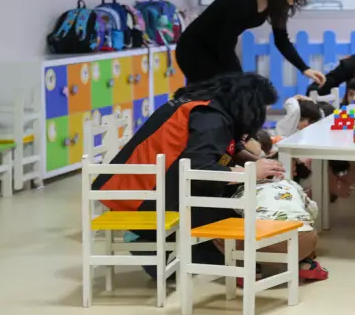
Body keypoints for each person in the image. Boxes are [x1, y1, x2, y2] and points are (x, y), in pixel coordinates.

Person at [92, 73, 284, 275]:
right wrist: (250, 173)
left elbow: (225, 148)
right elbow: (200, 172)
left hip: (145, 187)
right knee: (239, 207)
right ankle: (154, 243)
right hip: (145, 199)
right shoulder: (210, 119)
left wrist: (256, 164)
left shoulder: (207, 105)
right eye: (263, 109)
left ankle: (169, 249)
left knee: (236, 195)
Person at [175, 0, 327, 87]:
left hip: (217, 47)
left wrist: (305, 68)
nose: (295, 1)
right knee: (213, 96)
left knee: (225, 95)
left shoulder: (276, 3)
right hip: (194, 48)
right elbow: (225, 43)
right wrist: (239, 79)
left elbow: (282, 40)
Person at [217, 177, 329, 283]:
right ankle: (306, 265)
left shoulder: (244, 188)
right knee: (307, 224)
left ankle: (250, 269)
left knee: (232, 231)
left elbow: (236, 210)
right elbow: (313, 210)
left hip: (259, 246)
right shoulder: (291, 184)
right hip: (300, 243)